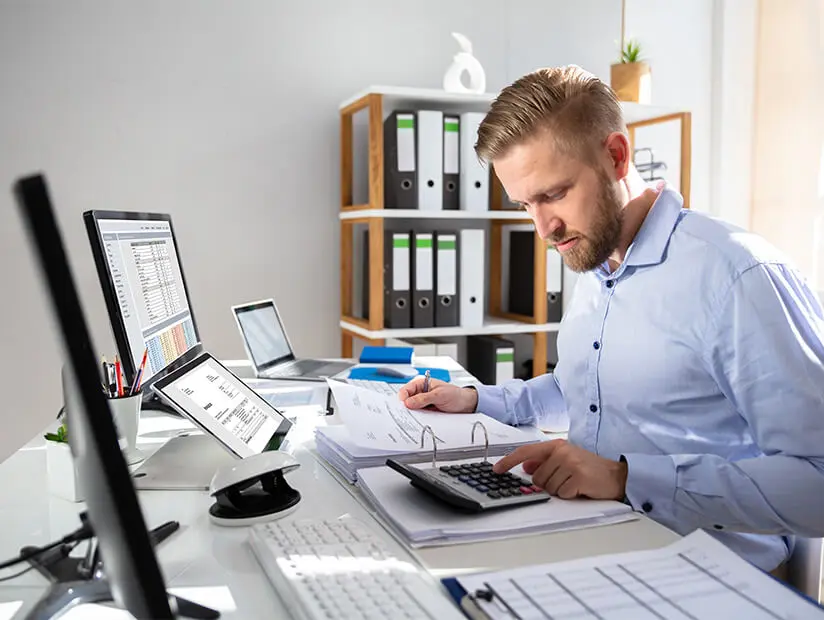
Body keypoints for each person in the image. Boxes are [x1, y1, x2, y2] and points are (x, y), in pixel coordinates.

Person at [399, 65, 824, 573]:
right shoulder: (599, 261)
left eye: (554, 194)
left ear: (617, 157)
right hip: (592, 534)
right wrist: (475, 399)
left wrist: (626, 479)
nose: (544, 229)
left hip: (704, 571)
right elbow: (581, 388)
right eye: (524, 205)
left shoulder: (738, 276)